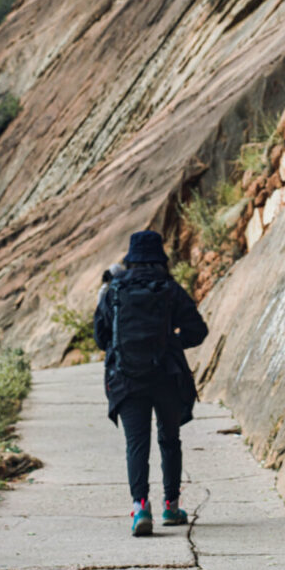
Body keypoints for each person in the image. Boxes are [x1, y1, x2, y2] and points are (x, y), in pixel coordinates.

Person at [93, 230, 208, 536]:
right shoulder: (169, 288)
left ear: (130, 258)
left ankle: (141, 507)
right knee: (169, 440)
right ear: (160, 258)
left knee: (136, 445)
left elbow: (101, 337)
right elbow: (198, 331)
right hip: (166, 376)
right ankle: (171, 506)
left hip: (127, 379)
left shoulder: (114, 290)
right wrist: (169, 343)